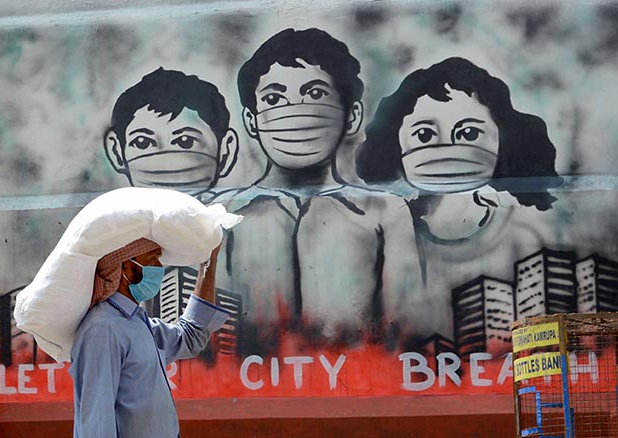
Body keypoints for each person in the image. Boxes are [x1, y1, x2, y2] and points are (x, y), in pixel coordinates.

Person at [219, 28, 428, 347]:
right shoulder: (224, 216)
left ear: (352, 116)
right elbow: (208, 330)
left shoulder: (383, 211)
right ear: (251, 120)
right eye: (274, 99)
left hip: (361, 385)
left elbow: (405, 326)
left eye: (315, 94)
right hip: (251, 389)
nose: (295, 112)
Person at [356, 57, 562, 338]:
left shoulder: (520, 237)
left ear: (502, 139)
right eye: (425, 134)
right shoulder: (385, 231)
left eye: (469, 133)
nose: (447, 149)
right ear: (397, 142)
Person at [69, 238, 229, 438]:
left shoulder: (137, 322)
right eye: (152, 260)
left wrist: (209, 262)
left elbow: (190, 337)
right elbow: (97, 423)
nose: (159, 267)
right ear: (126, 266)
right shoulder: (103, 329)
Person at [103, 67, 238, 203]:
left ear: (226, 151)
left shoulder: (248, 209)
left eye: (185, 142)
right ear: (117, 152)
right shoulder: (111, 219)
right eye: (142, 142)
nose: (165, 164)